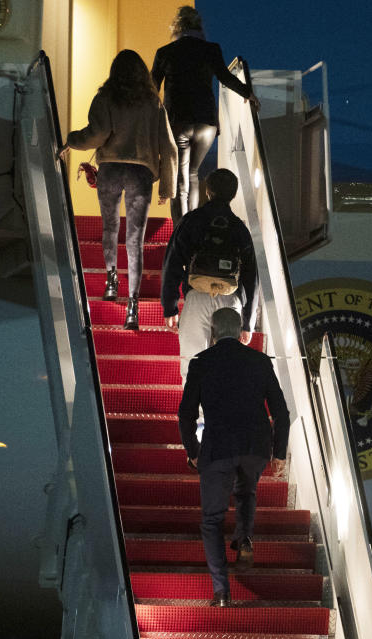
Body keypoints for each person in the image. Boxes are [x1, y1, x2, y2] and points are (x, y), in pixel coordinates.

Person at [178, 307, 290, 607]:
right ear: (241, 332)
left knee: (212, 520)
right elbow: (280, 410)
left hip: (219, 447)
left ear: (212, 333)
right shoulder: (259, 360)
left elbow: (186, 413)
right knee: (246, 491)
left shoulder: (201, 363)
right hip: (256, 445)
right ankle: (244, 539)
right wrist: (279, 452)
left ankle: (222, 591)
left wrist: (193, 451)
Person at [61, 49, 178, 330]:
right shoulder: (153, 103)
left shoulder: (106, 98)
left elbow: (95, 135)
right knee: (135, 239)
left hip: (111, 169)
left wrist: (70, 140)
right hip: (140, 173)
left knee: (110, 228)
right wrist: (167, 186)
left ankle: (111, 281)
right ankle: (133, 308)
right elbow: (169, 147)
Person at [151, 6, 260, 225]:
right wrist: (248, 93)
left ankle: (182, 230)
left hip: (178, 121)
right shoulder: (211, 49)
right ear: (199, 27)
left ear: (177, 28)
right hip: (206, 123)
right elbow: (225, 77)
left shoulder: (165, 52)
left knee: (179, 179)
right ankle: (191, 225)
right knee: (192, 173)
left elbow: (151, 88)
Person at [161, 168, 258, 381]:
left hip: (196, 296)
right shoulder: (239, 228)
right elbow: (251, 277)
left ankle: (195, 414)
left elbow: (172, 263)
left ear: (208, 191)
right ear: (233, 195)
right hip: (230, 300)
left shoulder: (191, 221)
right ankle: (220, 413)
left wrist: (170, 306)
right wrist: (248, 320)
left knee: (193, 365)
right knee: (226, 366)